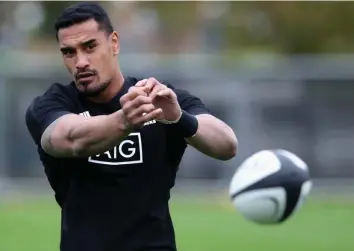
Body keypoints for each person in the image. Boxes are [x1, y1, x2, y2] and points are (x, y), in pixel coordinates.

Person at [25, 2, 238, 251]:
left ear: (114, 43)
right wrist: (124, 120)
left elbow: (227, 145)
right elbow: (68, 138)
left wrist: (179, 118)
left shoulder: (160, 99)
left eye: (90, 47)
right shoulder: (53, 103)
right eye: (69, 52)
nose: (80, 61)